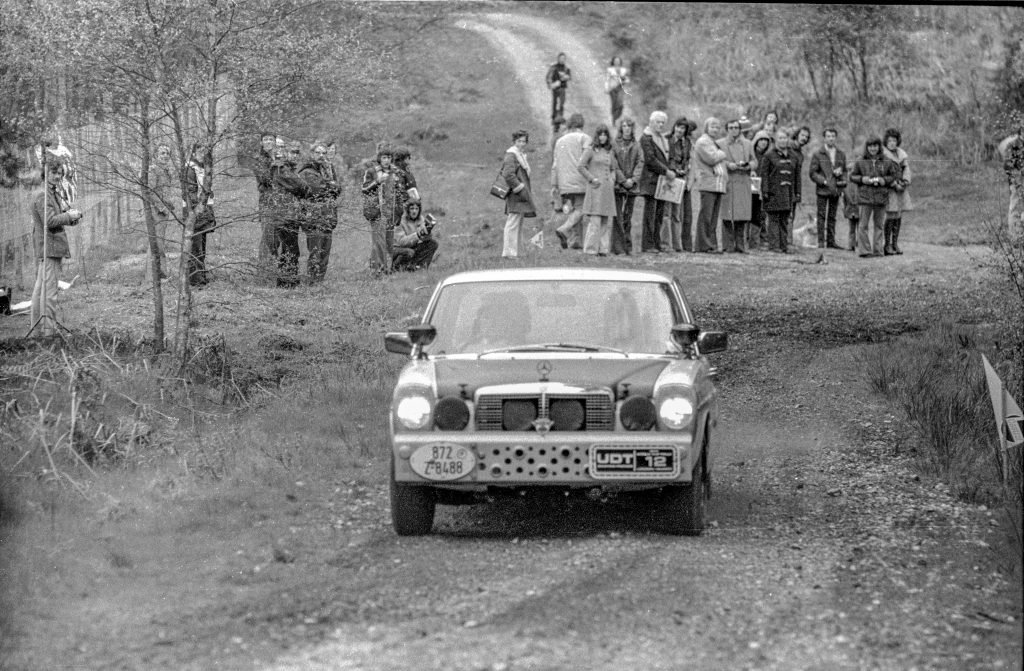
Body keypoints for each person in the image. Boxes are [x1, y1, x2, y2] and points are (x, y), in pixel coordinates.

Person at [30, 155, 82, 335]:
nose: (57, 176)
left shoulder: (51, 192)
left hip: (50, 246)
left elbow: (56, 217)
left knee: (40, 289)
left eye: (60, 173)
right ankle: (48, 333)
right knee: (49, 291)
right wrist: (69, 217)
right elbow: (50, 221)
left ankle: (37, 332)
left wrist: (71, 216)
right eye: (53, 172)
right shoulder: (42, 194)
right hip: (48, 247)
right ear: (45, 173)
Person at [577, 124, 622, 256]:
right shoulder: (590, 150)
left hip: (607, 190)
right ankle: (590, 250)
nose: (603, 137)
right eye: (600, 134)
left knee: (605, 222)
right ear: (596, 136)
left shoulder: (610, 151)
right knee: (595, 221)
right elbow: (580, 166)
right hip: (595, 190)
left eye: (605, 135)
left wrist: (612, 180)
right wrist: (592, 179)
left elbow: (614, 168)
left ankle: (603, 249)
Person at [299, 141, 340, 283]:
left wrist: (331, 186)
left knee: (325, 252)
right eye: (318, 152)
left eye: (324, 153)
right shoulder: (307, 171)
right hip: (313, 217)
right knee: (315, 252)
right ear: (311, 154)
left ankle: (319, 282)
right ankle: (311, 282)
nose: (321, 155)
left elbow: (338, 190)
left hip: (328, 216)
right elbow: (317, 189)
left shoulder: (328, 169)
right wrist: (331, 186)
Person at [850, 137, 898, 258]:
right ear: (867, 147)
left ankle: (878, 250)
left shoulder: (887, 161)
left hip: (881, 197)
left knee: (879, 225)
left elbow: (893, 176)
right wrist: (862, 179)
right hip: (865, 197)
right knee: (863, 225)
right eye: (870, 146)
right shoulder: (860, 161)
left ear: (879, 147)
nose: (873, 148)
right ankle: (865, 251)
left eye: (875, 146)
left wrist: (883, 180)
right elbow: (852, 176)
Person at [269, 143, 310, 287]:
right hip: (284, 216)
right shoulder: (280, 168)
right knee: (290, 250)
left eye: (298, 153)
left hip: (291, 215)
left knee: (291, 250)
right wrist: (301, 187)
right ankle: (287, 283)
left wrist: (301, 187)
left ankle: (287, 282)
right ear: (286, 153)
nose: (296, 156)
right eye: (293, 152)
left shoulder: (289, 170)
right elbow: (302, 186)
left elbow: (303, 188)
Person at [552, 113, 590, 249]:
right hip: (580, 181)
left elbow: (555, 165)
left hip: (564, 183)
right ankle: (564, 228)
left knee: (575, 209)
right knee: (581, 209)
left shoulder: (560, 141)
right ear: (582, 124)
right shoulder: (585, 139)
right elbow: (588, 160)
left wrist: (554, 184)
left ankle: (576, 241)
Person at [362, 143, 401, 275]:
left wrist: (399, 212)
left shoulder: (395, 172)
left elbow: (400, 194)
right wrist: (377, 181)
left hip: (391, 213)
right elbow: (364, 189)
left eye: (389, 157)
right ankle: (378, 271)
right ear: (379, 158)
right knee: (379, 243)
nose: (386, 160)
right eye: (384, 157)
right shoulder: (372, 171)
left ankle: (387, 269)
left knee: (389, 243)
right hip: (377, 213)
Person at [717, 119, 756, 253]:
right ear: (727, 129)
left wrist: (749, 166)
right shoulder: (720, 143)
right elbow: (718, 160)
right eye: (731, 127)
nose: (734, 130)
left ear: (740, 129)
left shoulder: (748, 144)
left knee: (742, 215)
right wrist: (728, 164)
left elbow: (754, 160)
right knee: (727, 214)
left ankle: (741, 245)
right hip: (729, 180)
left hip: (743, 180)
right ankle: (727, 245)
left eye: (736, 128)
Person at [638, 111, 674, 253]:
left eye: (662, 123)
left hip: (661, 181)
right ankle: (648, 244)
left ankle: (657, 243)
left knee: (659, 214)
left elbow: (666, 157)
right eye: (658, 122)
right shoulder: (646, 138)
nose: (660, 125)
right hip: (651, 180)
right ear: (651, 122)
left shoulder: (662, 138)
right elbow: (650, 159)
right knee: (650, 214)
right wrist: (666, 171)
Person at [758, 129, 797, 253]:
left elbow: (796, 176)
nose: (783, 141)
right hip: (773, 192)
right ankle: (774, 246)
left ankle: (784, 245)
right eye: (780, 138)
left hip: (787, 191)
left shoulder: (793, 156)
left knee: (784, 219)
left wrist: (797, 192)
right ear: (775, 140)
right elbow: (764, 174)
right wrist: (765, 191)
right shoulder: (769, 155)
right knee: (774, 219)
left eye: (785, 138)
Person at [808, 127, 847, 249]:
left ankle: (831, 242)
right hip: (822, 190)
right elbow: (812, 173)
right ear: (824, 138)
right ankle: (821, 242)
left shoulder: (841, 154)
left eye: (833, 136)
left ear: (836, 138)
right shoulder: (818, 154)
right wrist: (823, 181)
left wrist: (842, 179)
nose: (831, 138)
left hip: (835, 189)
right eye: (828, 136)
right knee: (821, 216)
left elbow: (845, 171)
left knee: (832, 216)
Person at [693, 117, 728, 253]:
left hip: (717, 184)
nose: (715, 129)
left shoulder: (713, 143)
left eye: (718, 127)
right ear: (706, 127)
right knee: (706, 216)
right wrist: (722, 153)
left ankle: (711, 245)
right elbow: (711, 158)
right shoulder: (702, 142)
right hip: (708, 182)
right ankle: (703, 245)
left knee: (713, 217)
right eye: (712, 126)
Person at [184, 141, 216, 287]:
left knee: (202, 245)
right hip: (194, 211)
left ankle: (200, 275)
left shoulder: (205, 168)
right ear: (194, 152)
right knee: (196, 246)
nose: (203, 154)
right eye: (200, 151)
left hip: (205, 210)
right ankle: (196, 279)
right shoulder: (190, 168)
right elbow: (190, 193)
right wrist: (198, 210)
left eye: (205, 151)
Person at [500, 129, 536, 259]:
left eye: (524, 141)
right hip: (516, 194)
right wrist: (519, 187)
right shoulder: (511, 155)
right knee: (513, 222)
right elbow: (508, 174)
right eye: (519, 141)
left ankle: (515, 252)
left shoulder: (519, 155)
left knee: (518, 222)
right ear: (514, 141)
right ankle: (509, 253)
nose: (521, 144)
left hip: (521, 193)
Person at [612, 116, 643, 255]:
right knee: (617, 217)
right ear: (621, 128)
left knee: (628, 217)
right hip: (618, 186)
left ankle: (628, 246)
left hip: (632, 186)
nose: (627, 129)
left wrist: (633, 180)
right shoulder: (615, 144)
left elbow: (640, 163)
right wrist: (623, 180)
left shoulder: (636, 145)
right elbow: (613, 164)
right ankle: (617, 247)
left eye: (629, 126)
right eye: (624, 126)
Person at [663, 117, 694, 252]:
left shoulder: (687, 142)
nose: (680, 130)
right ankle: (665, 244)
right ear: (674, 127)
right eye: (678, 127)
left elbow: (687, 160)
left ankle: (677, 245)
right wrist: (672, 169)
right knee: (666, 213)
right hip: (668, 177)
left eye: (683, 128)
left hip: (680, 179)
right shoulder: (667, 139)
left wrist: (685, 172)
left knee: (677, 214)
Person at [147, 143, 178, 278]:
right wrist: (161, 207)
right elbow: (150, 191)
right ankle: (157, 275)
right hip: (157, 211)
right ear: (156, 156)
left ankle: (158, 274)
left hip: (164, 210)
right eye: (162, 153)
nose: (165, 156)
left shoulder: (166, 170)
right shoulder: (153, 170)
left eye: (167, 153)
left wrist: (170, 205)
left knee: (159, 241)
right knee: (157, 243)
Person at [882, 128, 912, 255]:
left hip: (901, 188)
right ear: (886, 142)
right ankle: (887, 245)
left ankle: (895, 243)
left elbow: (907, 169)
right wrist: (894, 184)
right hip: (890, 189)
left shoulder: (901, 154)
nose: (892, 143)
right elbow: (883, 172)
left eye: (894, 140)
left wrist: (905, 182)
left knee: (899, 215)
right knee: (890, 215)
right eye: (889, 141)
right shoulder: (883, 155)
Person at [392, 200, 438, 271]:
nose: (414, 211)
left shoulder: (421, 218)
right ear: (407, 210)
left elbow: (423, 239)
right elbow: (401, 242)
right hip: (397, 249)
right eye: (412, 208)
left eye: (416, 209)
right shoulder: (400, 221)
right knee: (409, 252)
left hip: (412, 245)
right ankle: (397, 267)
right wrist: (417, 235)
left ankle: (420, 267)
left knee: (433, 244)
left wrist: (427, 233)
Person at [1000, 115, 1024, 240]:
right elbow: (1007, 165)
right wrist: (1017, 179)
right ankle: (1014, 237)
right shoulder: (1013, 145)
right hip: (1016, 182)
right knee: (1015, 208)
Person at [786, 125, 811, 246]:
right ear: (797, 135)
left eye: (807, 136)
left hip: (794, 187)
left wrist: (798, 192)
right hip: (784, 186)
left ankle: (788, 241)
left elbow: (798, 175)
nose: (804, 138)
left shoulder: (800, 154)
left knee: (791, 215)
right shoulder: (787, 147)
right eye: (802, 135)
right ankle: (784, 242)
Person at [749, 130, 772, 250]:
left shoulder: (768, 156)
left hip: (762, 189)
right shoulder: (751, 154)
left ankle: (757, 241)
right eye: (761, 140)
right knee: (750, 213)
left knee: (760, 215)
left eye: (766, 141)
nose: (763, 143)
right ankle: (748, 240)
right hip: (750, 187)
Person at [545, 53, 571, 130]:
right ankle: (554, 118)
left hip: (562, 88)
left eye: (564, 58)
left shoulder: (566, 68)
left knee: (561, 104)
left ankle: (560, 119)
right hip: (555, 88)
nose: (562, 60)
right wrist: (552, 84)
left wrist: (565, 77)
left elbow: (569, 76)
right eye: (561, 58)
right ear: (558, 58)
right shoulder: (554, 67)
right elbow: (548, 77)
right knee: (555, 103)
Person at [605, 56, 629, 126]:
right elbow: (607, 80)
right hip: (612, 89)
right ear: (613, 62)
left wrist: (624, 81)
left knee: (620, 105)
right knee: (614, 104)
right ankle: (613, 119)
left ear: (620, 62)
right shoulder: (610, 70)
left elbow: (626, 79)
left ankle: (616, 116)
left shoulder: (623, 70)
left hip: (620, 89)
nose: (617, 62)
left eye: (618, 61)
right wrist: (607, 88)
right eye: (615, 61)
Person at [842, 160, 860, 251]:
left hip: (859, 209)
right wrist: (845, 209)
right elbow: (844, 200)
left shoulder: (859, 183)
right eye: (848, 170)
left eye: (852, 170)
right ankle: (851, 245)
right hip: (850, 209)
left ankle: (860, 244)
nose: (850, 173)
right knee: (851, 229)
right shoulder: (846, 185)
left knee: (860, 227)